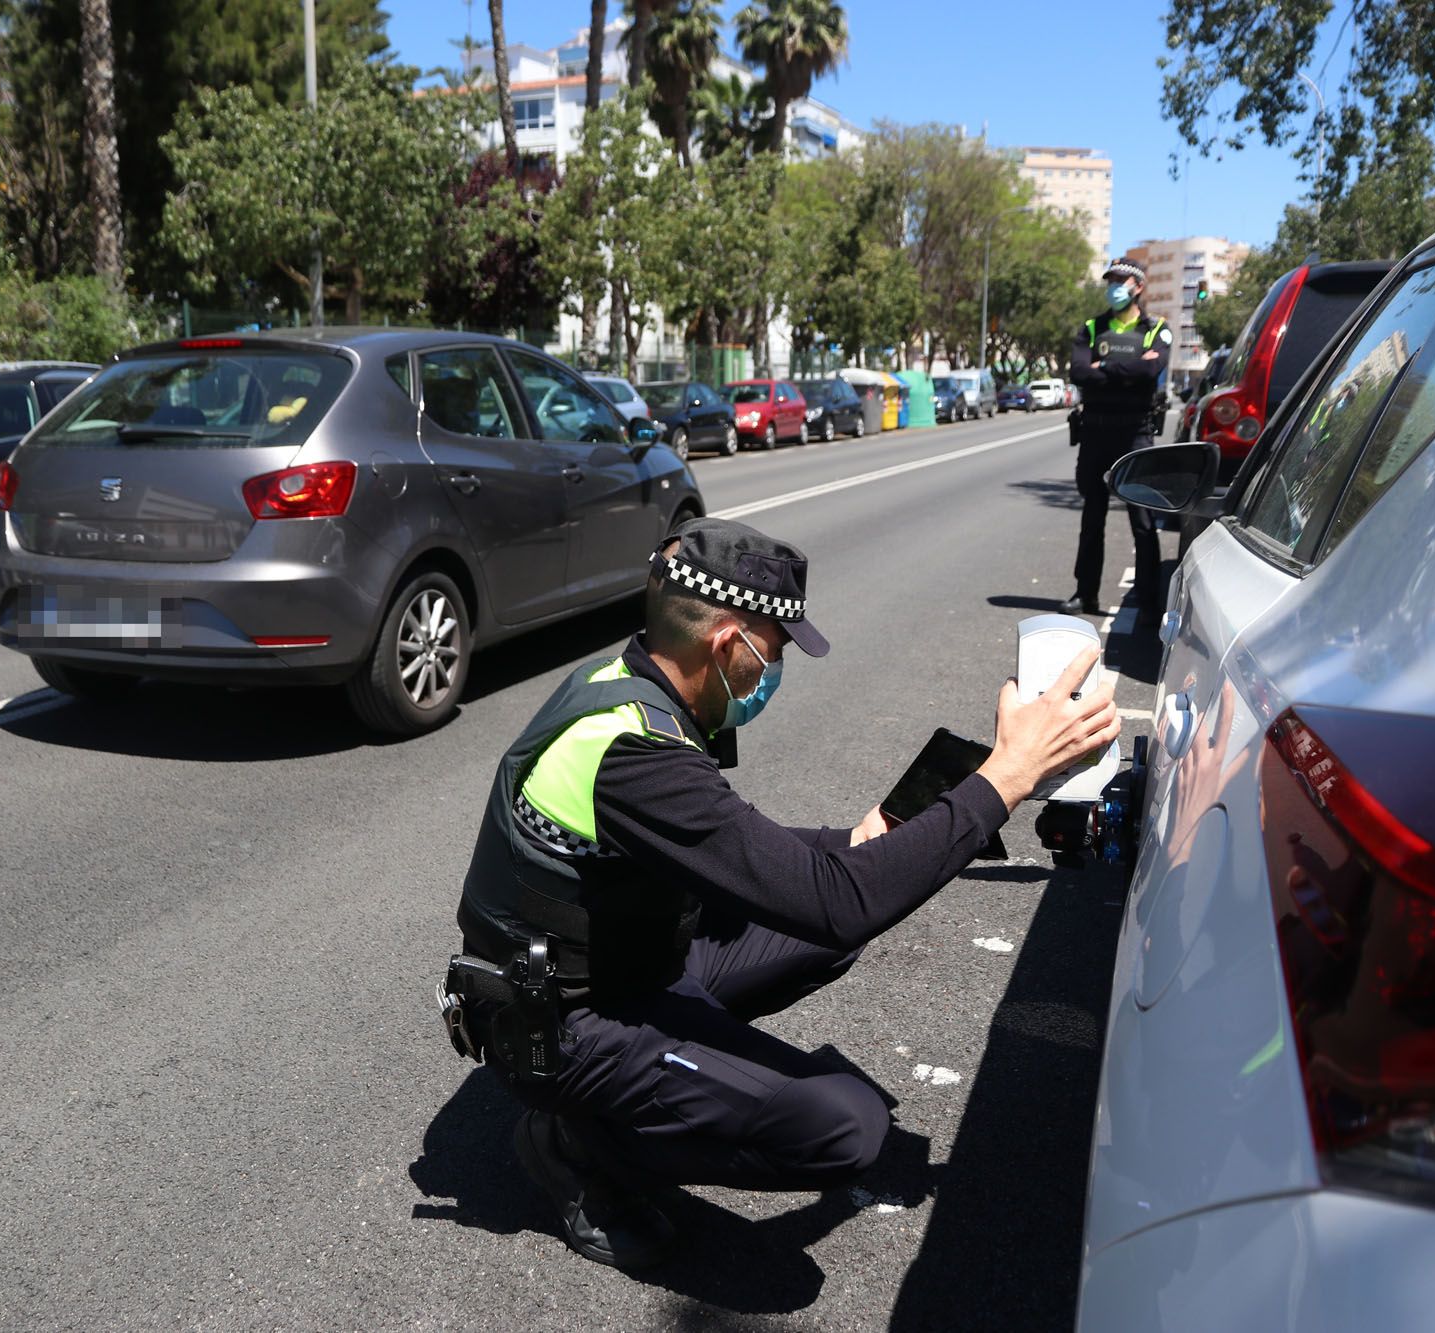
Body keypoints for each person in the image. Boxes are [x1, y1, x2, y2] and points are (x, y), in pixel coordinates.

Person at [443, 517, 1120, 1269]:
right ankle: (582, 1141)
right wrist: (1006, 779)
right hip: (566, 1021)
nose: (777, 666)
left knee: (832, 917)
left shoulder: (622, 686)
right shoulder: (635, 755)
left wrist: (871, 839)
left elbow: (760, 854)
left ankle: (631, 1097)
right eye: (776, 648)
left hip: (619, 961)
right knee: (845, 1128)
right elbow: (835, 896)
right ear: (729, 643)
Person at [1060, 258, 1172, 617]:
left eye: (1121, 280)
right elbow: (1078, 372)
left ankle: (1148, 602)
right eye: (1111, 280)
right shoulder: (1092, 328)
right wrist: (1127, 370)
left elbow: (1152, 369)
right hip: (1095, 431)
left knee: (1142, 521)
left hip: (1135, 432)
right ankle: (1085, 593)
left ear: (1139, 286)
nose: (1114, 286)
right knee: (1092, 518)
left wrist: (1104, 367)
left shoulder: (1157, 329)